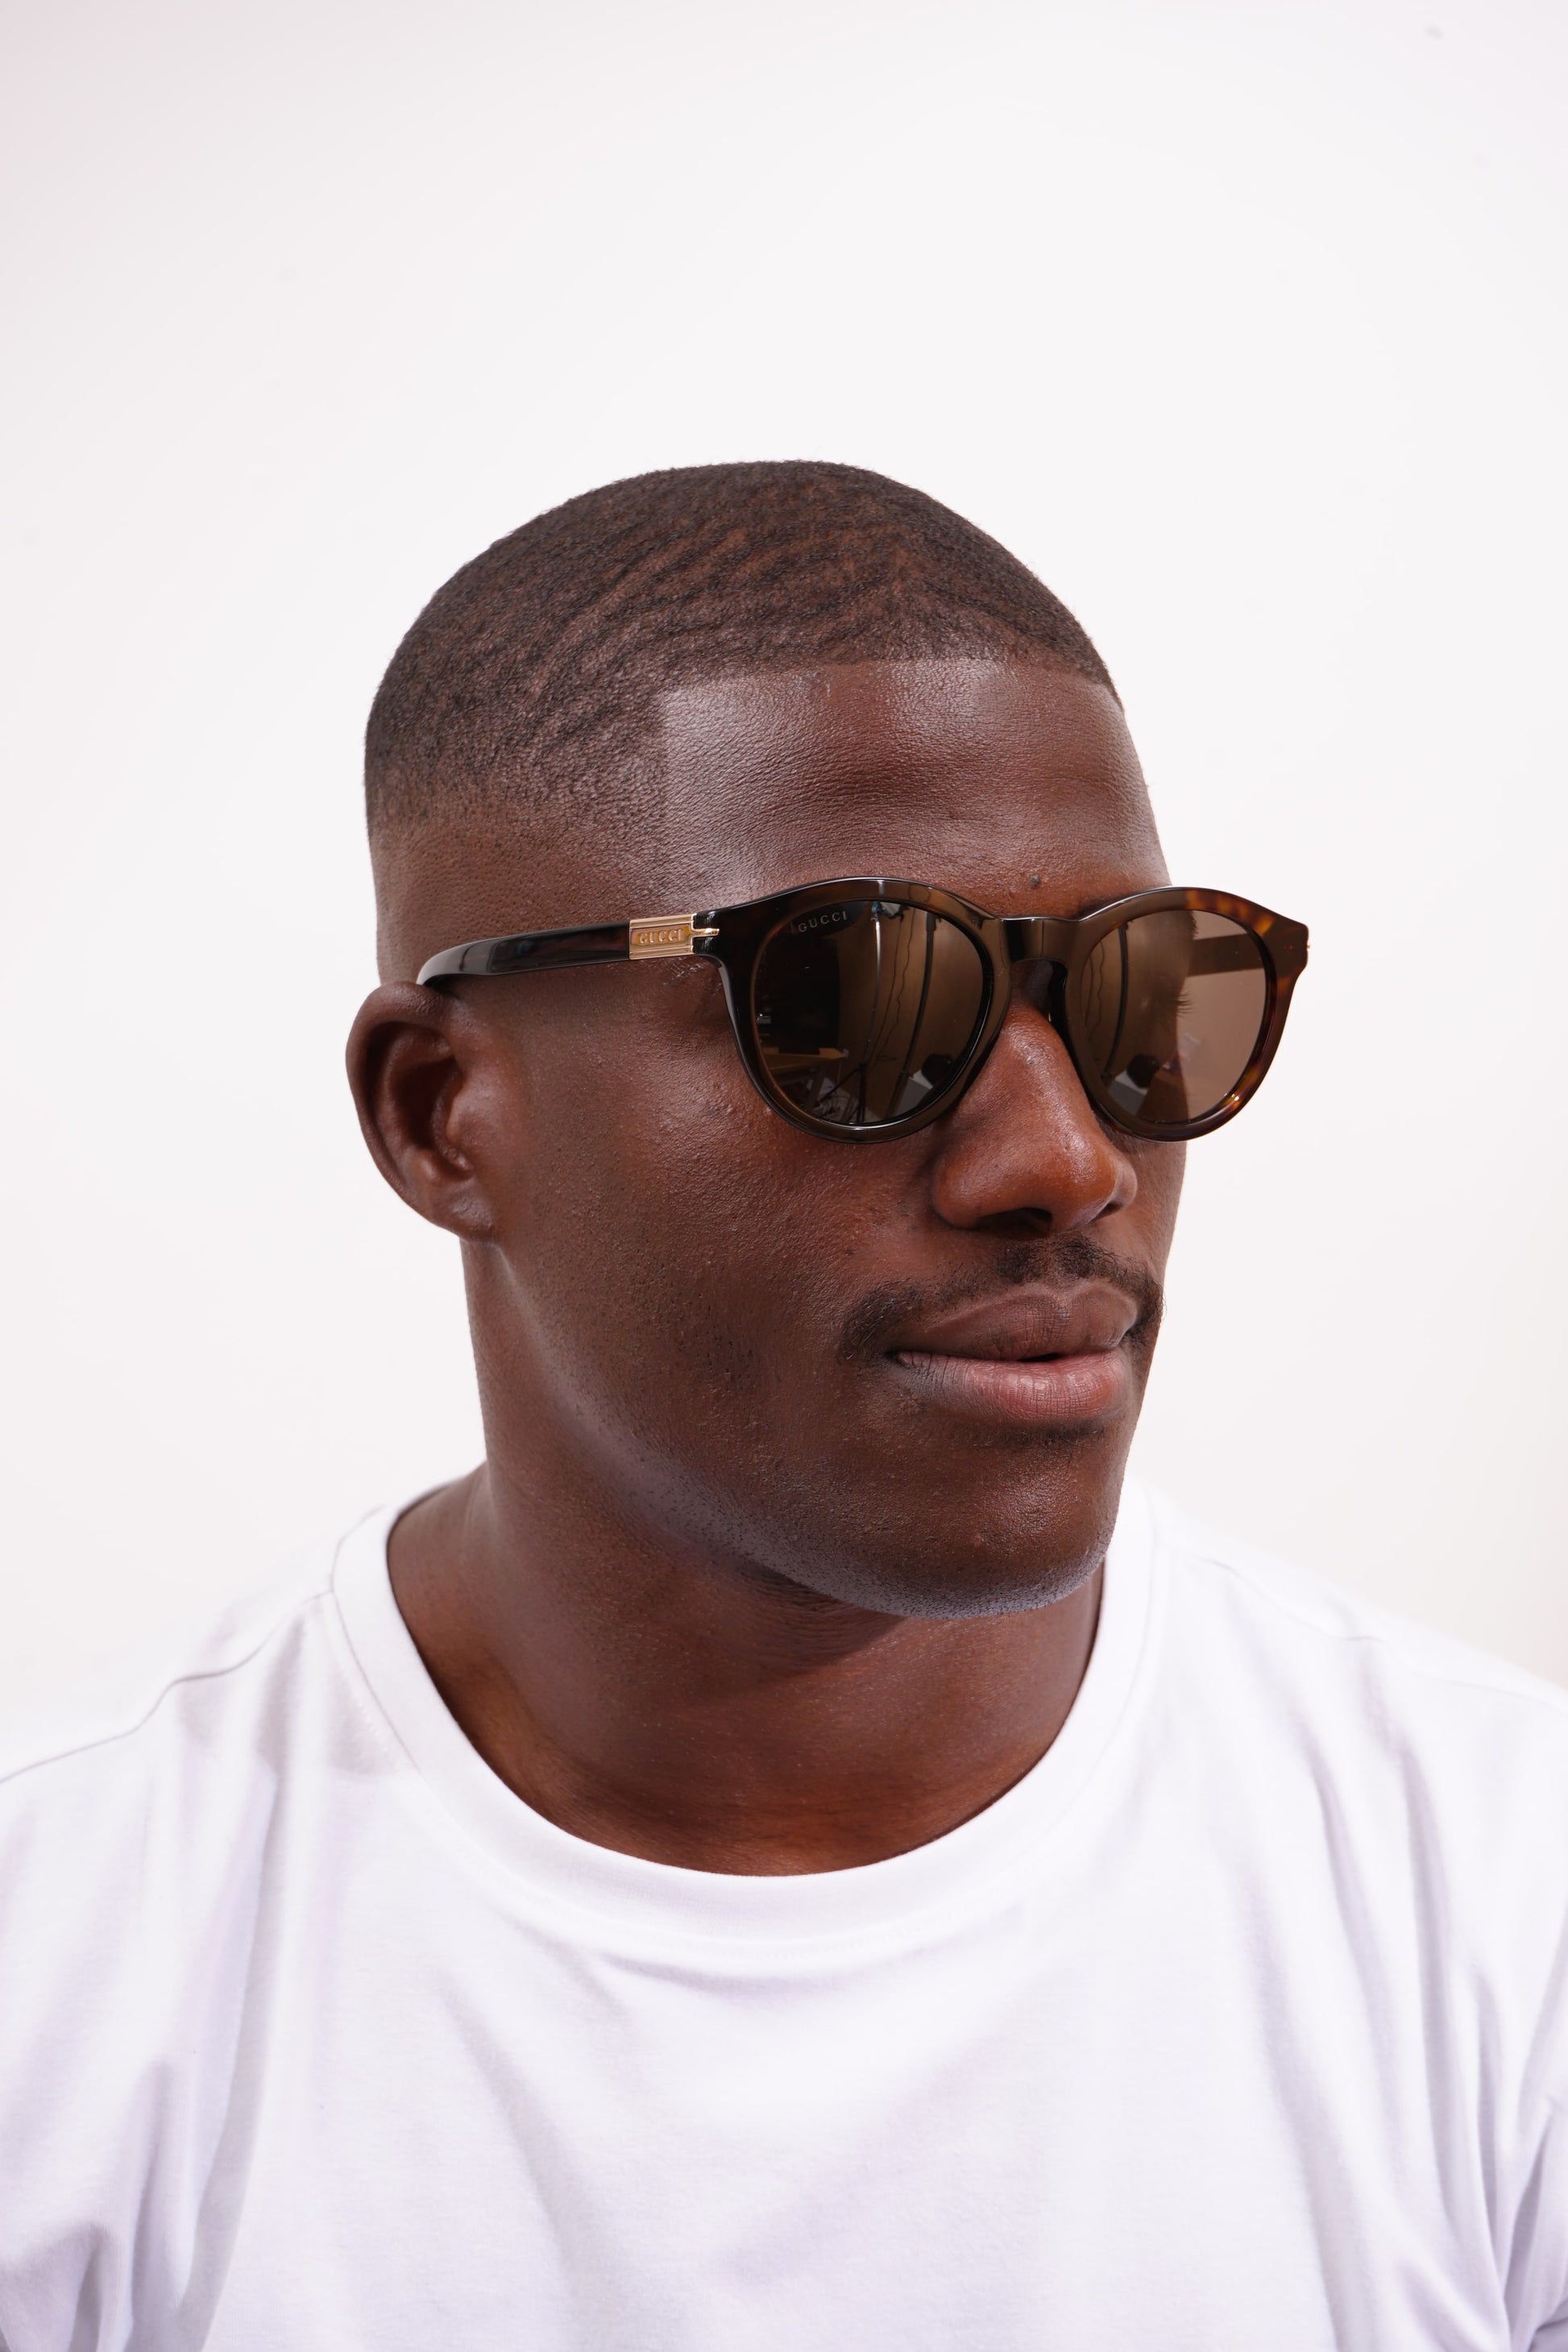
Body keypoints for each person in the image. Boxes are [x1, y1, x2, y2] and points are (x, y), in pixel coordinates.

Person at [2, 463, 1564, 2351]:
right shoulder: (64, 1976)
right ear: (440, 1113)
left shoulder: (1502, 1906)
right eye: (854, 1006)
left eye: (1141, 992)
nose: (1065, 1158)